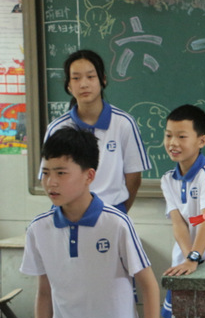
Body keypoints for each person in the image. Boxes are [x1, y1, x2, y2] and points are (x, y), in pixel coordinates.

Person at [21, 127, 159, 318]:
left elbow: (149, 286)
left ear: (89, 175)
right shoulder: (38, 229)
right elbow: (44, 294)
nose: (51, 182)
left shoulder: (116, 223)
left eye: (61, 173)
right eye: (46, 173)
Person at [42, 49, 151, 212]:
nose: (84, 84)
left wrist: (117, 213)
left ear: (103, 80)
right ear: (69, 85)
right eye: (76, 78)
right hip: (67, 213)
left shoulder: (123, 123)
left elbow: (134, 177)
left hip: (111, 210)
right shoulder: (57, 128)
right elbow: (48, 175)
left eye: (91, 76)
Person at [160, 104, 205, 318]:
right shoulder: (167, 179)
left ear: (201, 141)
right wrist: (188, 257)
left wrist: (195, 257)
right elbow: (178, 223)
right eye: (168, 135)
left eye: (181, 136)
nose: (173, 143)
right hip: (186, 262)